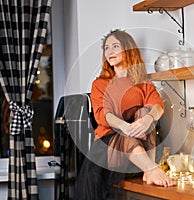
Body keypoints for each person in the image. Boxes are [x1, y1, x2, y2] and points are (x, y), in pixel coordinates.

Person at [74, 29, 175, 200]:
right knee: (125, 134)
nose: (110, 52)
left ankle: (147, 168)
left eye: (115, 46)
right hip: (108, 150)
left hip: (140, 148)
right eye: (106, 48)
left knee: (145, 111)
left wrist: (147, 119)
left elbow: (158, 106)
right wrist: (124, 127)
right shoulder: (100, 83)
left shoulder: (143, 83)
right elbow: (102, 115)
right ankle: (151, 170)